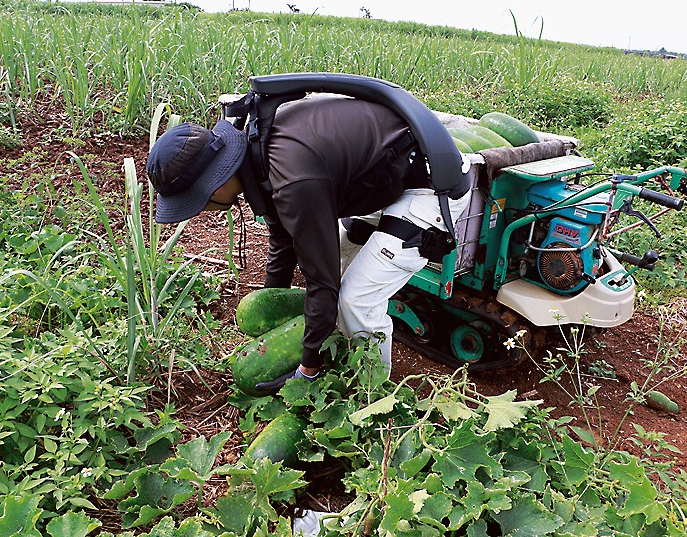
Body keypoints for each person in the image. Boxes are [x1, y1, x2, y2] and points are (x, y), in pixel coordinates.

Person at [146, 93, 470, 392]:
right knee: (339, 274)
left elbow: (321, 280)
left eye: (196, 202)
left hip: (431, 186)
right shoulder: (257, 153)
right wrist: (272, 310)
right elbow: (282, 238)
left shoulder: (293, 179)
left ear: (213, 187)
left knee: (354, 300)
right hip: (386, 178)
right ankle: (342, 349)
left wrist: (308, 368)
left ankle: (372, 393)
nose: (202, 209)